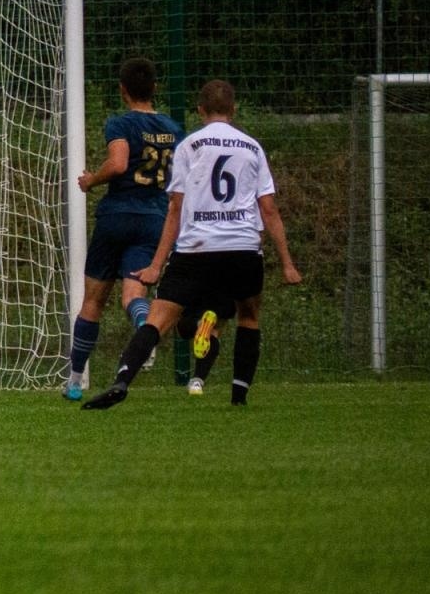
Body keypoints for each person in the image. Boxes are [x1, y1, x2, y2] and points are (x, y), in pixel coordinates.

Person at [82, 79, 302, 410]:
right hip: (243, 247)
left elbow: (175, 207)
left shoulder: (190, 146)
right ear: (234, 109)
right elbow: (268, 209)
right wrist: (287, 263)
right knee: (248, 316)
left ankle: (122, 382)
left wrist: (156, 265)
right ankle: (238, 397)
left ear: (199, 110)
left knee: (158, 319)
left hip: (196, 248)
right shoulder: (253, 147)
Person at [63, 58, 184, 400]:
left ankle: (74, 382)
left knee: (94, 300)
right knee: (134, 295)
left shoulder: (121, 123)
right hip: (154, 219)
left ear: (122, 89)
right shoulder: (174, 130)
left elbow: (117, 163)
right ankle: (146, 331)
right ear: (155, 89)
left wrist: (91, 180)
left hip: (117, 216)